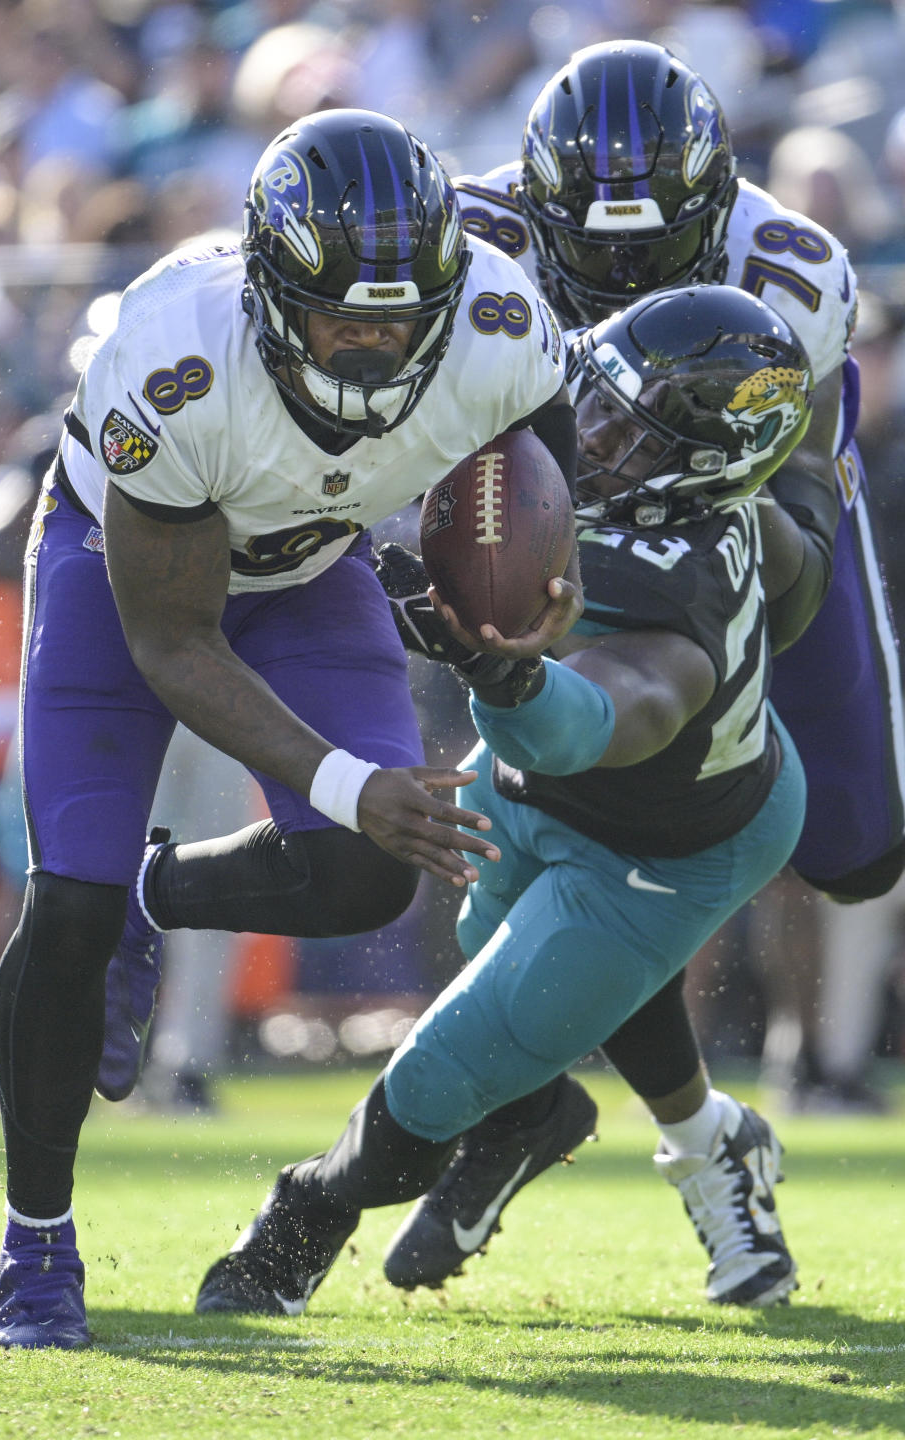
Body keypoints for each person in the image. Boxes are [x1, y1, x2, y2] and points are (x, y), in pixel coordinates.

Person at [0, 106, 583, 1350]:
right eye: (341, 318)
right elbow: (172, 644)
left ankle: (160, 900)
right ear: (268, 292)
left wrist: (509, 594)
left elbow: (535, 499)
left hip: (312, 569)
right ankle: (35, 1241)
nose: (370, 346)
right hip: (126, 578)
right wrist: (350, 776)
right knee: (69, 901)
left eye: (393, 320)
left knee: (370, 872)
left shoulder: (502, 328)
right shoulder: (175, 362)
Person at [372, 37, 902, 1292]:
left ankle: (562, 1109)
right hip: (553, 501)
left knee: (859, 848)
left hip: (748, 520)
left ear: (716, 212)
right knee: (578, 835)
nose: (615, 278)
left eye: (649, 255)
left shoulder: (792, 274)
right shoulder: (473, 237)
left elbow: (804, 548)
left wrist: (689, 579)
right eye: (593, 250)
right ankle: (692, 1141)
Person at [192, 282, 814, 1320]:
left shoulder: (681, 581)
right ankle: (668, 1137)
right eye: (601, 398)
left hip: (660, 849)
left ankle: (303, 1219)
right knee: (534, 992)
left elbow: (607, 722)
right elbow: (797, 584)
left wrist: (509, 675)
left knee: (445, 1070)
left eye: (633, 427)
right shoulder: (706, 500)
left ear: (706, 469)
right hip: (531, 791)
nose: (594, 430)